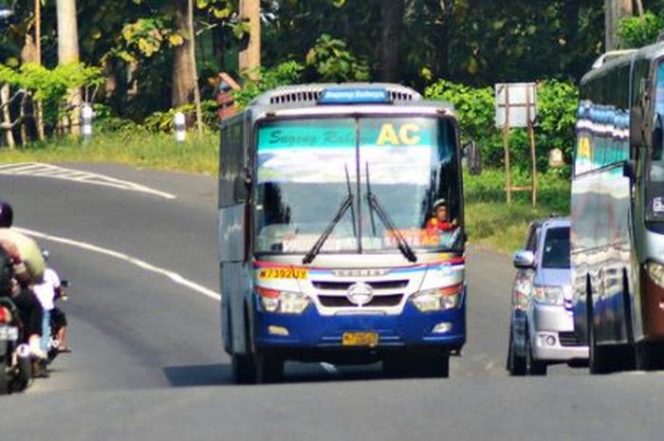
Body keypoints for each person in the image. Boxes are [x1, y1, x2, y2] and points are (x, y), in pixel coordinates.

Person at [0, 200, 48, 362]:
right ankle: (34, 343)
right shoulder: (24, 242)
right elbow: (38, 273)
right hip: (10, 293)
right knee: (34, 304)